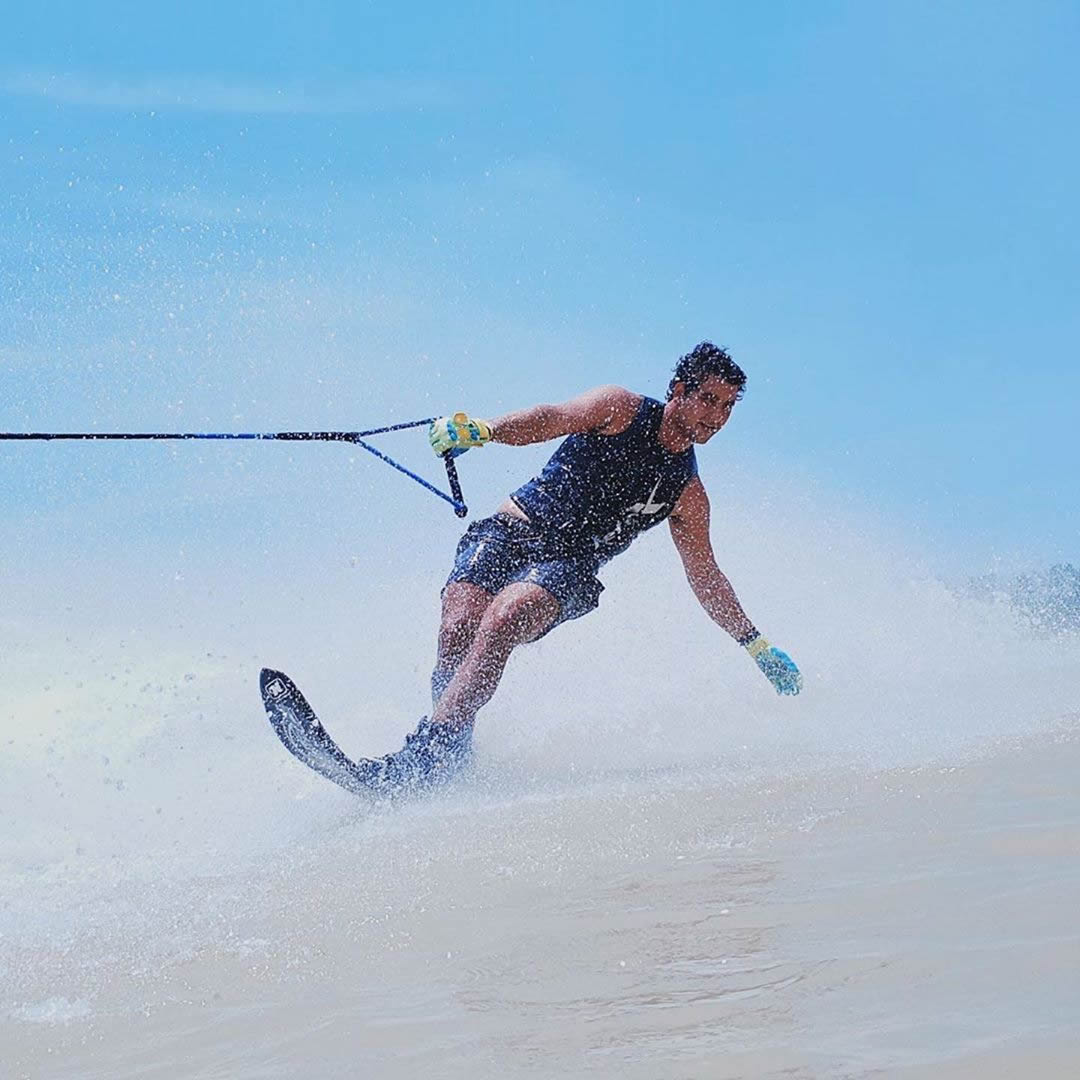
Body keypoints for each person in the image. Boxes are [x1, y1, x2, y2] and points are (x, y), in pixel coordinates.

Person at [366, 342, 802, 787]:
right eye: (709, 399)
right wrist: (483, 429)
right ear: (678, 390)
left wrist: (754, 643)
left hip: (567, 570)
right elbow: (549, 418)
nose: (717, 415)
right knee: (457, 627)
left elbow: (705, 574)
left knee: (506, 616)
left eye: (727, 406)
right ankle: (451, 754)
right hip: (511, 529)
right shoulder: (619, 409)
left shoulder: (687, 493)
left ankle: (425, 753)